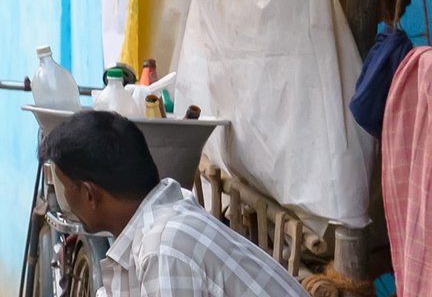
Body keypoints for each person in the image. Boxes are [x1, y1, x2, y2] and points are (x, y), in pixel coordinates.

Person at [39, 111, 306, 297]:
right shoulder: (158, 223)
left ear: (89, 194)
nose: (65, 198)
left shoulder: (163, 248)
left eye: (64, 185)